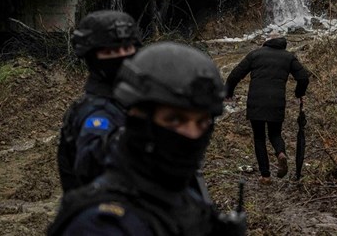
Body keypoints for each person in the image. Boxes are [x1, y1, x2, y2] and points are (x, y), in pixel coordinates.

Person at [48, 42, 246, 236]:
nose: (192, 134)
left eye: (202, 123)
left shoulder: (182, 196)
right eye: (175, 119)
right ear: (137, 118)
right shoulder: (103, 224)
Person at [57, 10, 140, 193]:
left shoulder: (129, 101)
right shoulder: (96, 112)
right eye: (110, 51)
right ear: (92, 56)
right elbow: (93, 163)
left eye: (127, 49)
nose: (122, 56)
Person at [225, 32, 310, 185]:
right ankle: (281, 153)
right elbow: (303, 77)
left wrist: (228, 93)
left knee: (259, 137)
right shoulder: (288, 57)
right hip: (276, 102)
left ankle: (265, 176)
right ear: (282, 42)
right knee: (275, 134)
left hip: (256, 102)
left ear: (267, 41)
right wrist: (299, 93)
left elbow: (234, 75)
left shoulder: (255, 55)